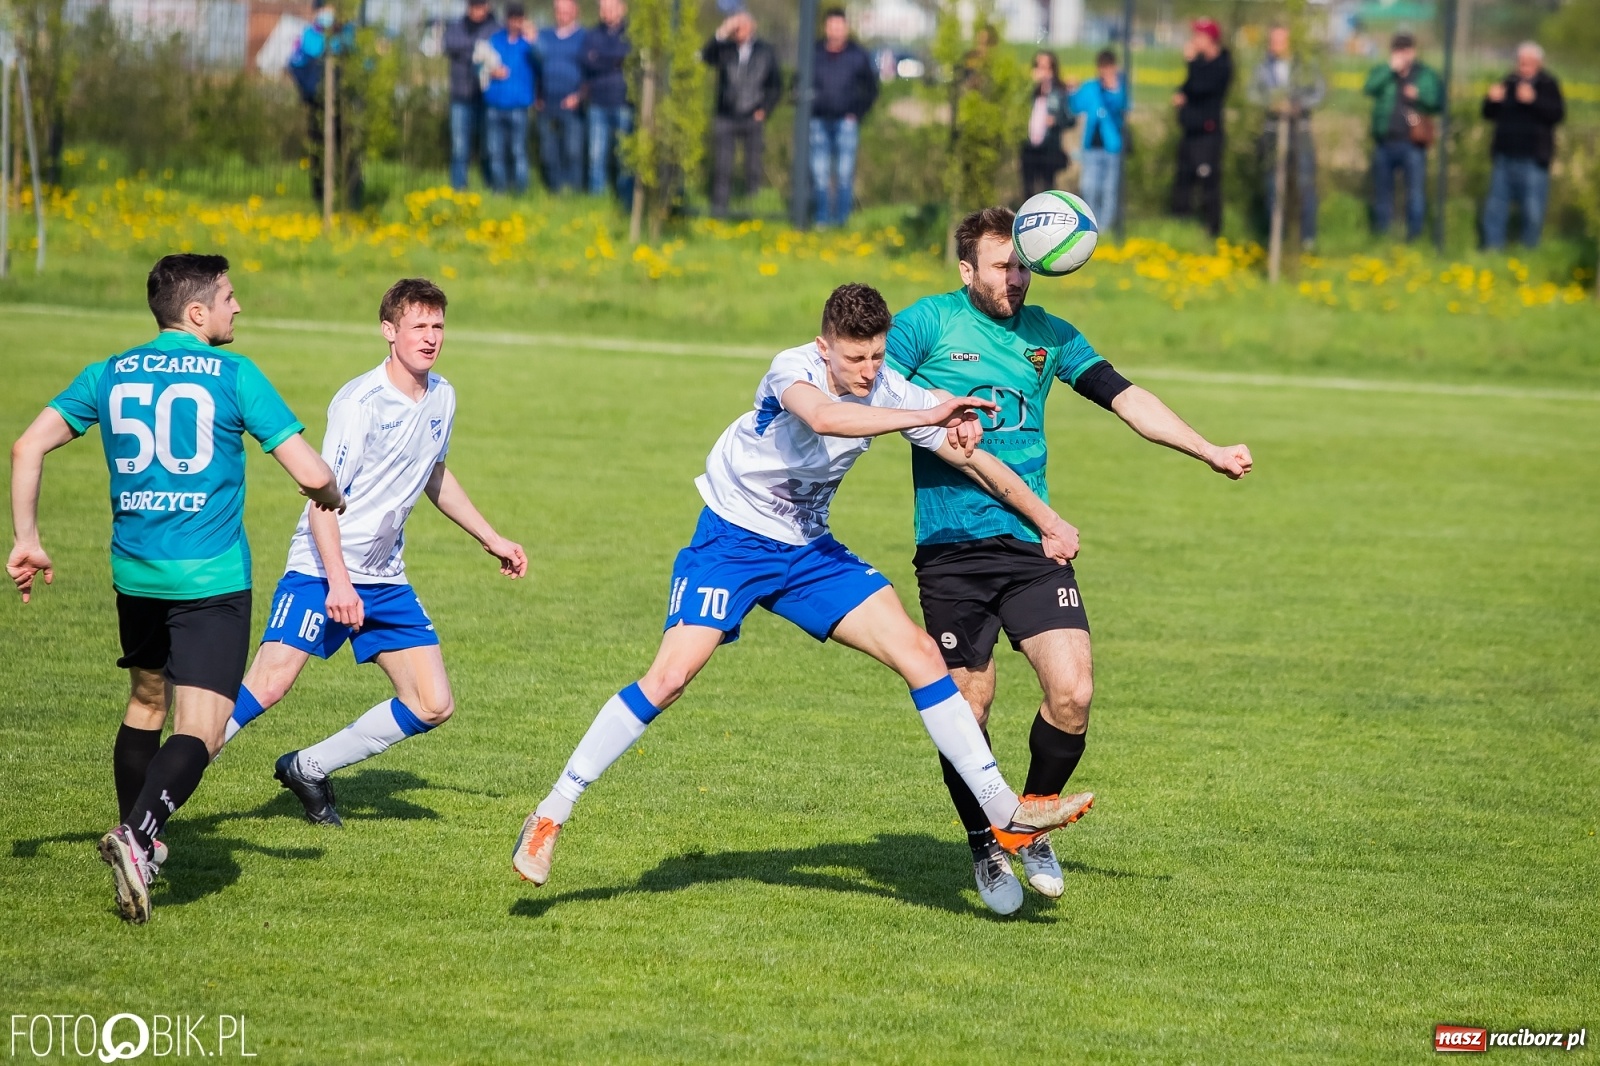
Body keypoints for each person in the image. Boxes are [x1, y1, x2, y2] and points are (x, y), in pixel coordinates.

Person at [511, 283, 1096, 896]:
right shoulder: (792, 369)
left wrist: (1048, 520)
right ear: (825, 347)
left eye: (877, 356)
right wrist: (927, 413)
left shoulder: (888, 388)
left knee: (922, 655)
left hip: (809, 551)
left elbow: (970, 457)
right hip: (732, 544)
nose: (868, 371)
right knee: (670, 678)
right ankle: (551, 813)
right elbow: (824, 417)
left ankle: (1003, 811)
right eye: (855, 358)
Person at [885, 208, 1253, 915]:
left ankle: (1034, 819)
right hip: (952, 548)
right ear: (966, 270)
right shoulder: (927, 324)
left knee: (1073, 694)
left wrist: (1207, 449)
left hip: (1034, 544)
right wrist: (932, 414)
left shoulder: (1050, 335)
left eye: (1022, 265)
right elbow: (875, 390)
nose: (1016, 278)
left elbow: (1127, 397)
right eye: (1002, 266)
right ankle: (986, 841)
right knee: (969, 708)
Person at [6, 254, 344, 924]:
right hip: (210, 578)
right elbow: (310, 473)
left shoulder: (108, 373)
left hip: (135, 575)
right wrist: (331, 493)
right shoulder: (235, 374)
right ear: (196, 312)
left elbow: (26, 447)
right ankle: (137, 838)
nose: (237, 307)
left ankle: (136, 837)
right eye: (228, 297)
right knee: (203, 726)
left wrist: (27, 538)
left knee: (145, 699)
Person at [223, 279, 526, 826]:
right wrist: (339, 583)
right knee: (267, 685)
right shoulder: (359, 403)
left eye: (438, 326)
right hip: (323, 568)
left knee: (432, 703)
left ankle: (307, 768)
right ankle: (159, 795)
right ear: (389, 331)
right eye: (418, 326)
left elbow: (433, 473)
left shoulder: (443, 396)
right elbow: (321, 499)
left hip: (385, 576)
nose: (430, 337)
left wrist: (491, 538)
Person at [1481, 41, 1565, 250]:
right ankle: (1492, 248)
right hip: (1504, 154)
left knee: (1532, 209)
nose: (1523, 66)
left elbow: (1557, 114)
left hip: (1533, 157)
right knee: (1496, 206)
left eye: (1528, 63)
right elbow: (1488, 114)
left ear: (1538, 63)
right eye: (1520, 62)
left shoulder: (1547, 84)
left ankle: (1529, 250)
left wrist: (1534, 100)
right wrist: (1491, 100)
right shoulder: (1508, 81)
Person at [1249, 24, 1325, 249]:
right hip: (1273, 132)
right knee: (1273, 186)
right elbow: (1252, 93)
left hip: (1299, 131)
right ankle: (1276, 238)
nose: (1275, 45)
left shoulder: (1304, 66)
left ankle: (1306, 239)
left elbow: (1319, 93)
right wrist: (1271, 103)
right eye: (1272, 41)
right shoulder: (1262, 67)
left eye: (1280, 41)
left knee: (1304, 184)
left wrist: (1298, 105)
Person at [1363, 32, 1443, 242]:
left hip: (1413, 144)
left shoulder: (1424, 75)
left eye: (1406, 49)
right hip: (1385, 141)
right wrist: (1390, 70)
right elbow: (1369, 88)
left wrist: (1419, 95)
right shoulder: (1384, 72)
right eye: (1398, 49)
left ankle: (1414, 236)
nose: (1402, 54)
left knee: (1415, 193)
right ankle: (1382, 235)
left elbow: (1437, 101)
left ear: (1413, 51)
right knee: (1383, 192)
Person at [702, 11, 781, 219]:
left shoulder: (765, 51)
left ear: (753, 26)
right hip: (726, 115)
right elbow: (706, 57)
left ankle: (751, 210)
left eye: (743, 24)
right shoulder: (725, 49)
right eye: (736, 26)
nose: (739, 29)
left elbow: (775, 85)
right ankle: (719, 212)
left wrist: (764, 109)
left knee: (752, 167)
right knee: (723, 166)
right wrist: (722, 32)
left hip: (753, 116)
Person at [809, 7, 878, 227]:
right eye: (831, 26)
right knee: (819, 173)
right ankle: (821, 218)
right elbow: (800, 82)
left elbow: (871, 89)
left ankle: (841, 221)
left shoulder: (858, 55)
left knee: (844, 173)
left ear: (846, 28)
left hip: (846, 123)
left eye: (839, 27)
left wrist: (856, 113)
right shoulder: (814, 52)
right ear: (825, 28)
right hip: (818, 121)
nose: (835, 31)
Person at [288, 1, 361, 209]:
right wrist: (309, 91)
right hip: (317, 104)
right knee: (318, 149)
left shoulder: (348, 35)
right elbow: (295, 63)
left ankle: (352, 197)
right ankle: (320, 198)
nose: (328, 13)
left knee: (348, 150)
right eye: (324, 9)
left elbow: (361, 65)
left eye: (331, 8)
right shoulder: (309, 36)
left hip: (345, 105)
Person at [1171, 18, 1233, 238]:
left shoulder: (1221, 64)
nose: (1194, 40)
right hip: (1190, 131)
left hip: (1208, 134)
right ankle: (1181, 225)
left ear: (1210, 39)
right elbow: (1189, 87)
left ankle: (1212, 228)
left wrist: (1190, 62)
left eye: (1198, 36)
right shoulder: (1200, 64)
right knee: (1183, 178)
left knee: (1208, 180)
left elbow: (1201, 86)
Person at [444, 0, 500, 192]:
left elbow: (499, 51)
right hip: (460, 96)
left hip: (487, 97)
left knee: (489, 145)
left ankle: (491, 185)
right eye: (474, 6)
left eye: (481, 5)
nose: (477, 10)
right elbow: (449, 44)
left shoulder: (495, 27)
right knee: (459, 146)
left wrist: (475, 53)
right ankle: (459, 188)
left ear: (487, 7)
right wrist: (478, 50)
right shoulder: (457, 26)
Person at [483, 5, 538, 195]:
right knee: (495, 151)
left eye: (518, 18)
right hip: (494, 104)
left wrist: (534, 41)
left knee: (518, 151)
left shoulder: (529, 42)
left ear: (523, 19)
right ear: (506, 19)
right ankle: (499, 189)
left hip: (518, 105)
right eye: (512, 18)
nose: (515, 22)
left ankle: (521, 191)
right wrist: (491, 71)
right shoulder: (495, 40)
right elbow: (479, 64)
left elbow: (542, 60)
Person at [1069, 49, 1126, 231]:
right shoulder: (1090, 87)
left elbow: (1123, 106)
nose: (1106, 71)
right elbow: (1075, 106)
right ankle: (1091, 224)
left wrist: (1114, 88)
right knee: (1089, 187)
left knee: (1109, 189)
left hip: (1112, 146)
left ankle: (1105, 227)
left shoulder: (1120, 87)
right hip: (1091, 146)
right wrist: (1072, 90)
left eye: (1109, 67)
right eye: (1103, 67)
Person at [534, 0, 587, 194]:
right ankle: (554, 189)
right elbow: (536, 67)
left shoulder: (584, 37)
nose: (562, 14)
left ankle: (574, 191)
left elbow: (589, 71)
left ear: (575, 11)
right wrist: (538, 94)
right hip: (547, 101)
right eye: (559, 10)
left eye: (566, 11)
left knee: (573, 150)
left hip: (572, 102)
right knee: (548, 150)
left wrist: (579, 96)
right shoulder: (544, 36)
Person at [583, 0, 633, 202]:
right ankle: (597, 200)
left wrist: (601, 57)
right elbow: (586, 60)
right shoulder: (592, 34)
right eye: (603, 8)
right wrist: (614, 61)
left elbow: (627, 56)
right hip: (597, 102)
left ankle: (625, 198)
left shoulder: (631, 33)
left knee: (624, 156)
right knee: (596, 155)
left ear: (622, 9)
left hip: (623, 101)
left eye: (611, 8)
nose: (606, 12)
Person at [1019, 51, 1074, 202]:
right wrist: (1030, 84)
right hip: (1029, 147)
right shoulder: (1028, 91)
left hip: (1049, 147)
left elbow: (1070, 119)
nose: (1041, 71)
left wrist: (1055, 120)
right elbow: (1017, 108)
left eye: (1046, 67)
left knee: (1047, 188)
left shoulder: (1059, 92)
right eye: (1038, 66)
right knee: (1028, 189)